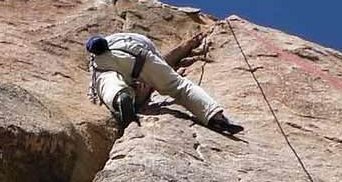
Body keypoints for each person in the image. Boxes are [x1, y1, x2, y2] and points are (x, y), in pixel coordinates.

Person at [86, 30, 244, 135]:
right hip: (139, 52)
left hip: (104, 58)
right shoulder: (134, 38)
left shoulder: (102, 48)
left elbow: (100, 51)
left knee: (106, 79)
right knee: (179, 86)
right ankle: (215, 116)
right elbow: (159, 66)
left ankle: (120, 97)